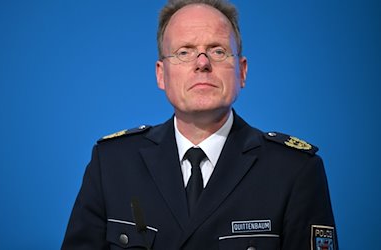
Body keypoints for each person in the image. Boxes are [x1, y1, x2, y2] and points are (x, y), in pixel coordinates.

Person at [61, 0, 338, 249]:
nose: (202, 63)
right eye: (184, 52)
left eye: (217, 51)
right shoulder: (112, 164)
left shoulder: (294, 170)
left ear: (241, 72)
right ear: (161, 74)